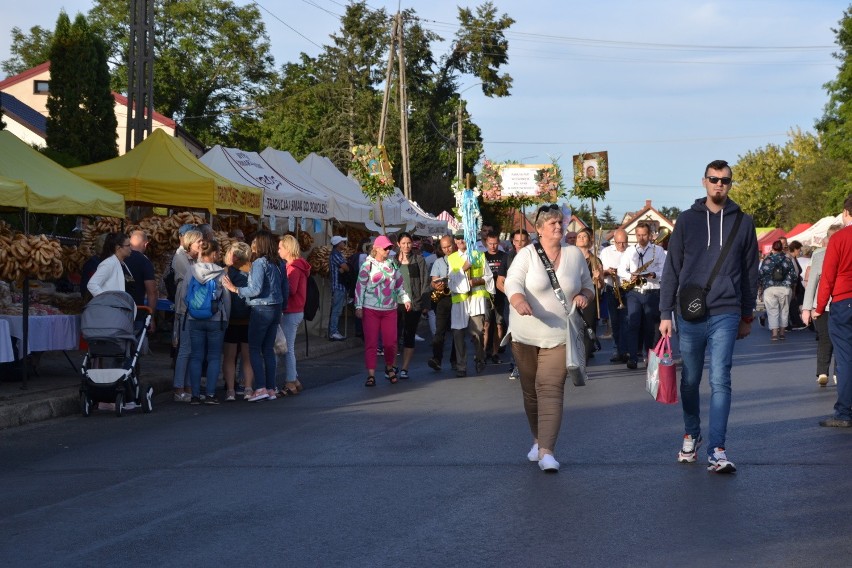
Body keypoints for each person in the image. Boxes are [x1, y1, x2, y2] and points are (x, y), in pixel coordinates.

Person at [659, 159, 758, 473]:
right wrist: (664, 313)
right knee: (689, 380)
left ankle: (717, 448)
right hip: (689, 312)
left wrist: (747, 315)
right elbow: (671, 267)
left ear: (730, 184)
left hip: (726, 311)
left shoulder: (744, 221)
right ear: (703, 182)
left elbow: (749, 272)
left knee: (720, 379)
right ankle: (692, 433)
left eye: (725, 180)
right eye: (714, 179)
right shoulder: (686, 220)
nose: (719, 185)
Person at [504, 203, 594, 472]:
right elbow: (512, 282)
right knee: (531, 391)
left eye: (560, 222)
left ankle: (547, 451)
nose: (558, 226)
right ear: (539, 229)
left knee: (550, 388)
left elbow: (589, 286)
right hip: (525, 334)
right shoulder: (527, 255)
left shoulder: (575, 255)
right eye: (552, 223)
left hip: (559, 335)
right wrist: (518, 300)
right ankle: (537, 439)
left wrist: (583, 296)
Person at [222, 230, 285, 402]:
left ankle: (261, 388)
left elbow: (255, 289)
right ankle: (271, 388)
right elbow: (284, 288)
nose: (252, 246)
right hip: (275, 308)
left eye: (255, 242)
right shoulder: (278, 263)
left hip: (261, 309)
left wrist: (235, 289)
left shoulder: (259, 263)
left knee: (255, 349)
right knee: (268, 350)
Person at [814, 195, 852, 427]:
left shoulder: (839, 238)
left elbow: (827, 276)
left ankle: (845, 412)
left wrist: (819, 307)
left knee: (846, 358)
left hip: (844, 301)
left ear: (846, 213)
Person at [354, 235, 411, 387]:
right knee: (371, 343)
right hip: (371, 308)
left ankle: (389, 367)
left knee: (390, 342)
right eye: (385, 248)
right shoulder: (367, 265)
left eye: (390, 248)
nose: (388, 250)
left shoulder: (392, 265)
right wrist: (358, 306)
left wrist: (405, 298)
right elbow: (360, 286)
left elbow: (399, 284)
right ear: (376, 249)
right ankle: (371, 374)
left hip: (389, 309)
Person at [182, 240, 230, 405]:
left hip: (194, 319)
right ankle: (210, 394)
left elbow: (183, 294)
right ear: (215, 254)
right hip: (215, 320)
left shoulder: (191, 270)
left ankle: (195, 395)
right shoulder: (221, 273)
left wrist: (193, 308)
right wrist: (226, 318)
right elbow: (227, 299)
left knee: (196, 357)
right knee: (214, 357)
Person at [618, 222, 666, 369]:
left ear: (650, 235)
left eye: (644, 235)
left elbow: (664, 271)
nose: (641, 238)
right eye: (638, 235)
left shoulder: (658, 251)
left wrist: (653, 274)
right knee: (633, 324)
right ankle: (632, 357)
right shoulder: (630, 251)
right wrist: (629, 275)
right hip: (634, 291)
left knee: (649, 327)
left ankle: (650, 357)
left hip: (652, 291)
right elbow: (621, 270)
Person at [448, 231, 495, 377]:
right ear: (455, 241)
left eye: (464, 238)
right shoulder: (452, 258)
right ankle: (461, 366)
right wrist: (463, 269)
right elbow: (451, 280)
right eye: (459, 239)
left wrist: (476, 281)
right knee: (458, 334)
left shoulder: (479, 255)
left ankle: (480, 358)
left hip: (476, 299)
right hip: (460, 301)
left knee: (478, 333)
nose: (462, 241)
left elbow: (489, 277)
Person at [802, 224, 842, 387]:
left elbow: (812, 282)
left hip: (821, 304)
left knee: (824, 339)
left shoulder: (819, 255)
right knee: (843, 340)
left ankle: (822, 371)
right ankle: (838, 373)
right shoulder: (846, 252)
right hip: (841, 302)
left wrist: (807, 308)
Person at [171, 229, 204, 403]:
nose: (201, 245)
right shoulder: (180, 258)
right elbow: (198, 276)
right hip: (184, 308)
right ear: (190, 243)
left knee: (193, 350)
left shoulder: (193, 259)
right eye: (198, 241)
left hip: (195, 308)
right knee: (185, 349)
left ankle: (189, 386)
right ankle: (179, 387)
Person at [222, 242, 253, 402]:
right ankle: (248, 389)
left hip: (231, 320)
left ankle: (230, 391)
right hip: (249, 319)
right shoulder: (253, 270)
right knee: (248, 357)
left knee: (229, 357)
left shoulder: (226, 271)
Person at [395, 232, 429, 380]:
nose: (406, 246)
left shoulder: (418, 260)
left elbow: (425, 282)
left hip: (414, 303)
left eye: (408, 243)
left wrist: (424, 303)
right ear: (398, 244)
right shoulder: (393, 261)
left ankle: (404, 368)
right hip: (395, 304)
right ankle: (392, 366)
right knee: (393, 337)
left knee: (409, 335)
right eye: (403, 243)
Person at [279, 234, 310, 396]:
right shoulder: (298, 266)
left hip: (291, 310)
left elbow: (291, 290)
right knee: (287, 347)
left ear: (288, 249)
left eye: (280, 247)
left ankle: (290, 380)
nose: (278, 251)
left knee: (287, 348)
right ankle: (294, 379)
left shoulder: (293, 267)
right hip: (296, 310)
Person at [501, 229, 530, 380]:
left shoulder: (534, 256)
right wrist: (512, 294)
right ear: (512, 241)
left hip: (531, 302)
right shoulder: (508, 257)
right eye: (516, 240)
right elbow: (500, 281)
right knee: (514, 334)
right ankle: (516, 364)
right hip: (511, 302)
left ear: (527, 241)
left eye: (522, 240)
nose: (519, 244)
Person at [427, 235, 457, 372]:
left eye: (449, 246)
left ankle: (455, 360)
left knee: (457, 331)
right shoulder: (439, 262)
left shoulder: (460, 259)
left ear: (454, 244)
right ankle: (436, 358)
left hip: (458, 297)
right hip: (443, 299)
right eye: (444, 248)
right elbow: (433, 281)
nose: (447, 250)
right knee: (440, 331)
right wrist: (436, 285)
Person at [758, 240, 796, 341]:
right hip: (785, 288)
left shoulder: (766, 260)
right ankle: (782, 333)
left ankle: (774, 334)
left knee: (772, 311)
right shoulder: (787, 260)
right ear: (782, 248)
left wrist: (760, 290)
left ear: (773, 248)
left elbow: (760, 275)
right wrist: (794, 289)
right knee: (784, 310)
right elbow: (794, 276)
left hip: (769, 288)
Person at [575, 227, 605, 360]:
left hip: (589, 297)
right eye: (579, 236)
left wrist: (598, 278)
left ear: (590, 241)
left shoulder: (595, 261)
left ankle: (584, 359)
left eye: (584, 236)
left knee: (588, 327)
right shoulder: (571, 258)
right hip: (573, 295)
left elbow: (600, 286)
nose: (581, 238)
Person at [600, 228, 629, 363]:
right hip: (612, 289)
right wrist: (607, 271)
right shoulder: (606, 252)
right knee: (615, 322)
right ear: (614, 241)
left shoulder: (631, 251)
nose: (621, 246)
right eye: (618, 243)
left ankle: (628, 349)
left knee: (628, 321)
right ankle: (618, 349)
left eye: (624, 242)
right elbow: (600, 272)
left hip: (628, 289)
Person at [483, 231, 508, 364]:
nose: (493, 246)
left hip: (500, 293)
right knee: (486, 324)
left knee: (499, 324)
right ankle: (483, 351)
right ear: (486, 243)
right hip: (487, 294)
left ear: (499, 243)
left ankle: (495, 352)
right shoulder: (483, 256)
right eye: (490, 244)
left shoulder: (504, 256)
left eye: (495, 244)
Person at [125, 229, 157, 332]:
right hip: (137, 311)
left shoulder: (118, 258)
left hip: (118, 310)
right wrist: (150, 318)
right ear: (146, 244)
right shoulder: (144, 261)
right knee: (137, 344)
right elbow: (152, 292)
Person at [86, 232, 135, 297]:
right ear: (118, 247)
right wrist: (107, 300)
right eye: (128, 245)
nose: (130, 248)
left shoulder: (123, 264)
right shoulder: (109, 264)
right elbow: (92, 284)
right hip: (113, 305)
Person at [328, 235, 349, 341]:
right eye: (342, 242)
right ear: (338, 244)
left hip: (340, 286)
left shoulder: (338, 254)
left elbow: (344, 267)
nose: (344, 244)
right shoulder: (336, 255)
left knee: (338, 309)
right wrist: (344, 267)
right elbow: (346, 267)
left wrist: (344, 268)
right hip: (338, 286)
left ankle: (334, 331)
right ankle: (333, 332)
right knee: (336, 310)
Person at [787, 240, 806, 329]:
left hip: (796, 285)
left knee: (793, 304)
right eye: (799, 249)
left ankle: (796, 321)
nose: (800, 251)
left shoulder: (792, 258)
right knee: (793, 303)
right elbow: (794, 273)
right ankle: (795, 322)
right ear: (795, 249)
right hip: (793, 285)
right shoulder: (790, 258)